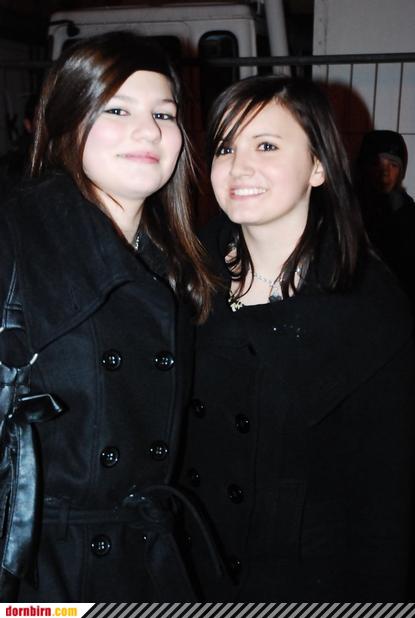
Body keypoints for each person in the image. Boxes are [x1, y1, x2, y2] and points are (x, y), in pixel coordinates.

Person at [0, 31, 216, 602]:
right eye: (117, 110)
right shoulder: (15, 239)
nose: (149, 131)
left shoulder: (177, 261)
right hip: (42, 578)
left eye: (164, 114)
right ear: (67, 122)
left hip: (149, 562)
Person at [180, 76, 415, 601]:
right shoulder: (182, 277)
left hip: (306, 585)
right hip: (189, 574)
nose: (238, 167)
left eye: (265, 145)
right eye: (225, 147)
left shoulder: (370, 309)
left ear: (318, 166)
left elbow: (384, 501)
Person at [355, 129, 415, 309]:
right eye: (376, 164)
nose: (385, 172)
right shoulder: (349, 212)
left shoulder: (409, 214)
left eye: (393, 165)